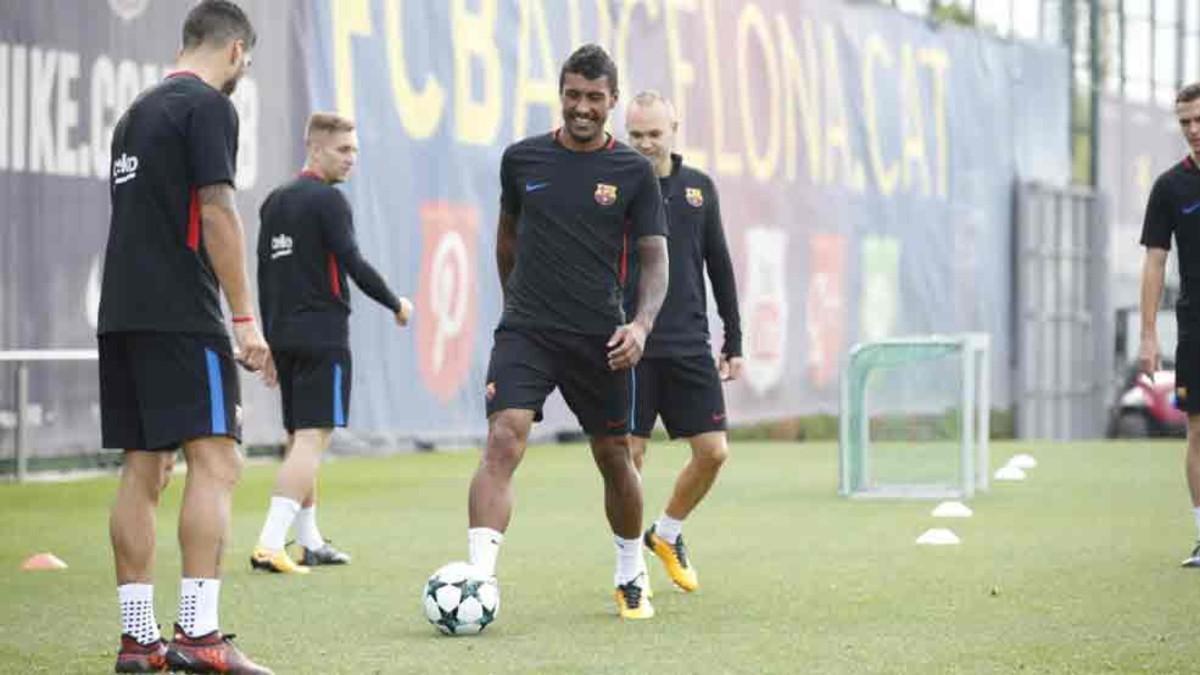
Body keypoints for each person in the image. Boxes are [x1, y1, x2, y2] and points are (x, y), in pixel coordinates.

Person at [465, 44, 670, 619]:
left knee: (613, 457)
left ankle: (631, 569)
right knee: (503, 440)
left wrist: (641, 325)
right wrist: (518, 311)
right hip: (527, 332)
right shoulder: (521, 160)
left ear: (612, 101)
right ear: (561, 94)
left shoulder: (633, 172)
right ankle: (480, 580)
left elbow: (655, 260)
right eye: (574, 95)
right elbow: (506, 241)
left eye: (595, 98)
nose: (583, 108)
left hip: (599, 340)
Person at [99, 2, 273, 672]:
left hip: (122, 310)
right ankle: (200, 635)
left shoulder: (134, 113)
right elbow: (217, 209)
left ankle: (139, 642)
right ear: (233, 51)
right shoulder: (208, 106)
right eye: (245, 64)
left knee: (144, 468)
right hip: (181, 312)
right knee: (217, 460)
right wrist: (245, 317)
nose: (242, 75)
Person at [251, 113, 413, 573]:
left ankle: (309, 540)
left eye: (355, 150)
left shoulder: (274, 202)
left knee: (299, 436)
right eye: (343, 150)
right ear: (315, 148)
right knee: (312, 439)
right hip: (323, 336)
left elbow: (267, 276)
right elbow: (354, 263)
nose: (352, 159)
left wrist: (269, 341)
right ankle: (268, 542)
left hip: (285, 335)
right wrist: (395, 303)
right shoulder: (328, 201)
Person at [623, 91, 742, 592]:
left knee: (713, 453)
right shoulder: (615, 186)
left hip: (690, 343)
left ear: (674, 129)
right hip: (629, 343)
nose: (646, 144)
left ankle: (667, 532)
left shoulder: (699, 189)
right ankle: (628, 566)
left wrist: (733, 339)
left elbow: (719, 263)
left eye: (655, 133)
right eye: (636, 135)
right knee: (626, 459)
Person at [1139, 82, 1200, 569]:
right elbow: (1156, 263)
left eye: (1199, 119)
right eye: (1185, 122)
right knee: (1198, 432)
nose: (1194, 131)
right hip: (1195, 326)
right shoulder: (1169, 188)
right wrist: (1148, 333)